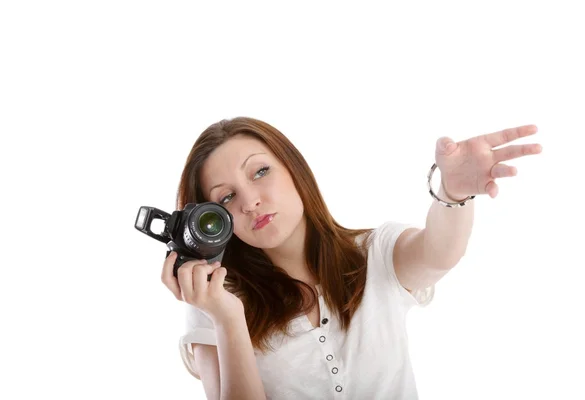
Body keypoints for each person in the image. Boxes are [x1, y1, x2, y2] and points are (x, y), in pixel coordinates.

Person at [160, 117, 542, 399]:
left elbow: (439, 251)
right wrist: (228, 320)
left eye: (260, 172)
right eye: (226, 197)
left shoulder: (374, 253)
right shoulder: (214, 304)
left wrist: (453, 193)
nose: (250, 201)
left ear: (294, 169)